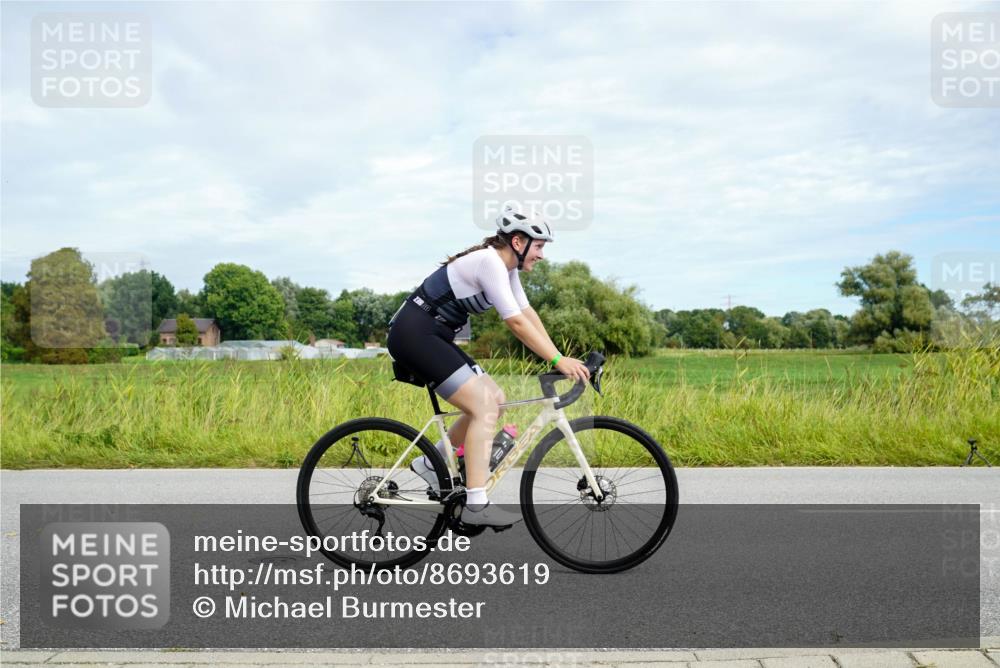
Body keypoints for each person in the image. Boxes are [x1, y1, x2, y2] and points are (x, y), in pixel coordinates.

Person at [386, 206, 590, 527]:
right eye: (539, 246)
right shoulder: (490, 262)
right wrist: (556, 361)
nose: (542, 255)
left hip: (433, 336)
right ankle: (476, 504)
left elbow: (527, 314)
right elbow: (515, 324)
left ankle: (432, 462)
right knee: (484, 409)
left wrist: (559, 355)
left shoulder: (506, 269)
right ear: (519, 242)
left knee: (495, 399)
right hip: (415, 335)